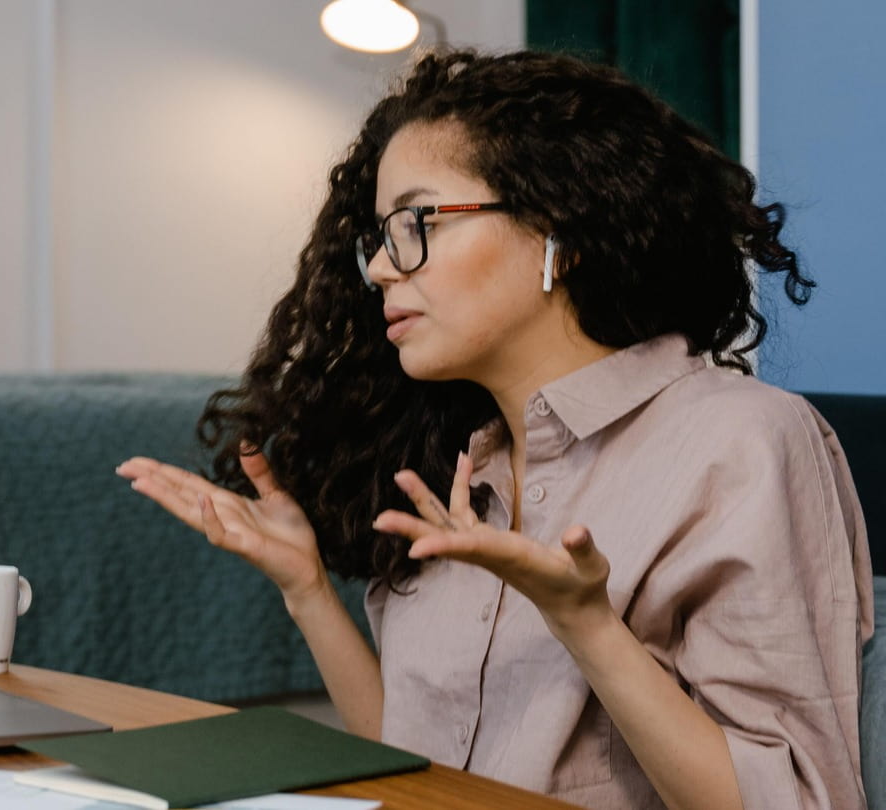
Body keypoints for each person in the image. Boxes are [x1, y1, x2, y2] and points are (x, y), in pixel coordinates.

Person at [116, 49, 874, 809]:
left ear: (558, 230)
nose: (380, 267)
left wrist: (587, 623)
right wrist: (306, 587)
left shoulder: (740, 442)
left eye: (414, 223)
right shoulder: (454, 469)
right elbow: (419, 776)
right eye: (376, 238)